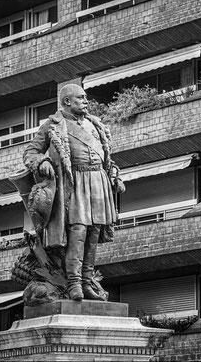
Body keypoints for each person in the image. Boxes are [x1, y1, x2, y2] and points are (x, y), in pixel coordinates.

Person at [23, 84, 124, 301]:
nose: (86, 100)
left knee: (93, 233)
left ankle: (87, 283)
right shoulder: (53, 124)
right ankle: (74, 283)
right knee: (77, 233)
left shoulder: (94, 124)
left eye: (85, 97)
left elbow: (107, 157)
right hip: (74, 182)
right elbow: (31, 152)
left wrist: (114, 175)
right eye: (81, 97)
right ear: (67, 101)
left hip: (98, 180)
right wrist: (42, 162)